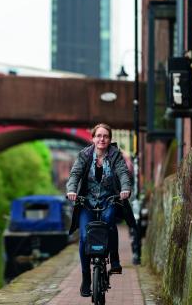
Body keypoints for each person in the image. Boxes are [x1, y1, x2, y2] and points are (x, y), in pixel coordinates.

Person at [66, 123, 134, 297]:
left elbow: (123, 173)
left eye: (105, 136)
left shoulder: (115, 155)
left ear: (110, 139)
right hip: (87, 202)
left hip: (108, 199)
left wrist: (125, 188)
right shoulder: (84, 155)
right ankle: (86, 277)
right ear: (93, 138)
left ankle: (114, 257)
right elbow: (75, 174)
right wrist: (72, 190)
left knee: (110, 220)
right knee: (83, 236)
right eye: (98, 136)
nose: (102, 139)